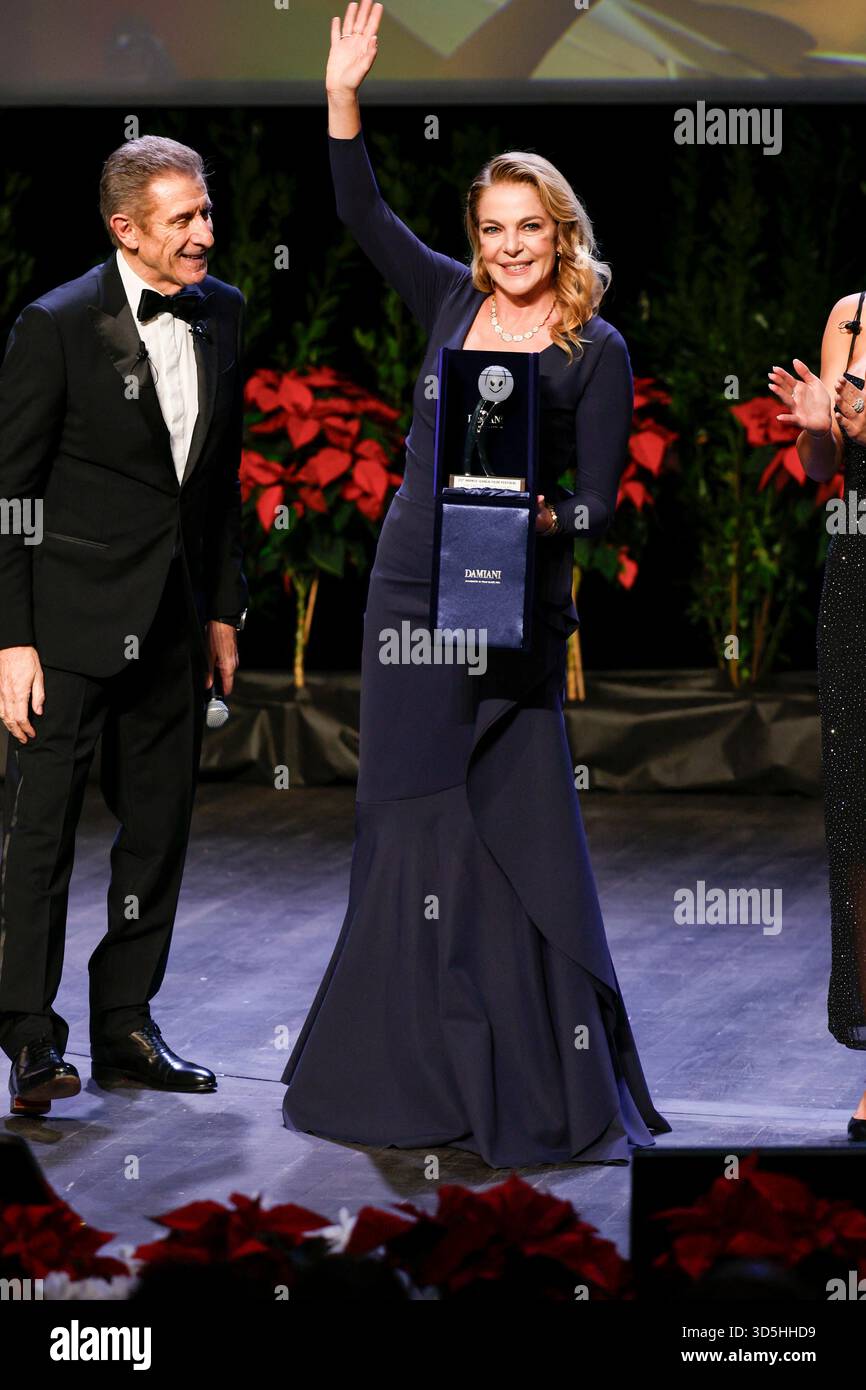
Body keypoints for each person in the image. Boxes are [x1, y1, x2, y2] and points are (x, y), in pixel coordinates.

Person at [282, 1, 670, 1168]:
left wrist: (542, 514)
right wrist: (345, 92)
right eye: (491, 227)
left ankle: (522, 1068)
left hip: (507, 608)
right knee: (404, 816)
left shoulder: (592, 348)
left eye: (526, 227)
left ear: (560, 230)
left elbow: (600, 501)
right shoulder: (449, 298)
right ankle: (401, 1065)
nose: (507, 246)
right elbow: (358, 210)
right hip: (408, 593)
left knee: (503, 823)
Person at [0, 133, 247, 1115]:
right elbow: (10, 493)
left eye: (206, 212)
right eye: (183, 218)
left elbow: (219, 480)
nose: (204, 232)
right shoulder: (55, 324)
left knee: (156, 833)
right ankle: (27, 1034)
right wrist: (11, 640)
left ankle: (126, 1025)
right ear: (125, 228)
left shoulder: (223, 310)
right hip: (63, 625)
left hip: (176, 622)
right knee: (40, 833)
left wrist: (223, 606)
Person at [770, 293, 866, 1142]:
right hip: (859, 580)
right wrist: (816, 428)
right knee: (862, 828)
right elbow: (820, 470)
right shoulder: (850, 314)